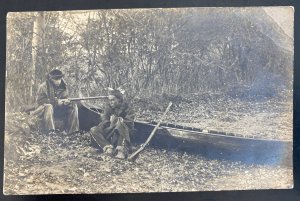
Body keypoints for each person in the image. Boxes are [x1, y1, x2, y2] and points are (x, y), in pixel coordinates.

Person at [90, 89, 135, 159]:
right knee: (93, 129)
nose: (111, 102)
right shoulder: (108, 108)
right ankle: (108, 147)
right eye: (110, 100)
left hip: (123, 135)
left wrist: (117, 120)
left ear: (119, 100)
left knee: (121, 124)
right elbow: (104, 121)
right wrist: (110, 124)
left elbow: (129, 122)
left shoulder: (127, 108)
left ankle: (121, 151)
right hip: (111, 131)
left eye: (113, 100)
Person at [35, 69, 79, 134]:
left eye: (60, 79)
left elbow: (65, 98)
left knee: (73, 105)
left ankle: (73, 131)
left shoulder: (63, 86)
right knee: (48, 106)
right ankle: (51, 131)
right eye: (56, 79)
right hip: (45, 111)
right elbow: (40, 101)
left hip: (58, 110)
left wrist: (65, 103)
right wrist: (55, 102)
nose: (58, 81)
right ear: (51, 79)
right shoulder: (43, 86)